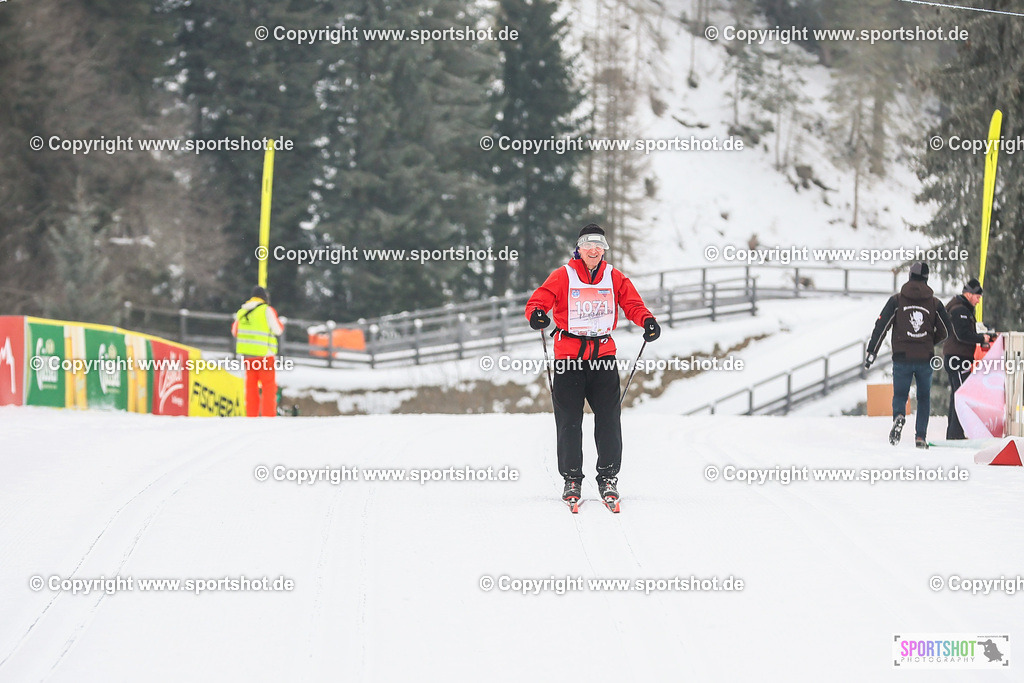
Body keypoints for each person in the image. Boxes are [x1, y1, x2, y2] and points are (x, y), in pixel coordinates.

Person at [524, 224, 661, 510]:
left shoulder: (614, 277)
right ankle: (572, 479)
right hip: (568, 358)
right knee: (569, 421)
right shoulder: (564, 275)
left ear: (604, 250)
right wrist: (537, 314)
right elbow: (540, 300)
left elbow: (633, 303)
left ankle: (608, 477)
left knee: (609, 419)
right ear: (579, 248)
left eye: (599, 245)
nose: (594, 250)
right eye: (589, 244)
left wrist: (646, 320)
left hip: (603, 356)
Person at [864, 262, 953, 448]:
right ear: (927, 278)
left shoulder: (896, 301)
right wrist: (929, 340)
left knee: (900, 394)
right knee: (923, 397)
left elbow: (881, 326)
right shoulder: (935, 303)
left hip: (902, 357)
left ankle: (898, 416)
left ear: (910, 277)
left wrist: (872, 352)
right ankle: (920, 437)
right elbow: (947, 330)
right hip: (924, 358)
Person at [942, 278, 993, 439]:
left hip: (957, 357)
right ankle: (955, 433)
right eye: (977, 297)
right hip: (957, 358)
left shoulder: (962, 308)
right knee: (961, 395)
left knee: (957, 395)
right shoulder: (960, 310)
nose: (978, 301)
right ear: (969, 294)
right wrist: (982, 338)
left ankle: (954, 432)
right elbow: (962, 335)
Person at [232, 286, 284, 417]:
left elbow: (235, 332)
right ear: (265, 298)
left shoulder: (242, 312)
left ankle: (251, 416)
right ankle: (268, 416)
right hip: (265, 355)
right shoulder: (267, 310)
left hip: (248, 356)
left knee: (251, 387)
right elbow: (278, 330)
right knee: (268, 387)